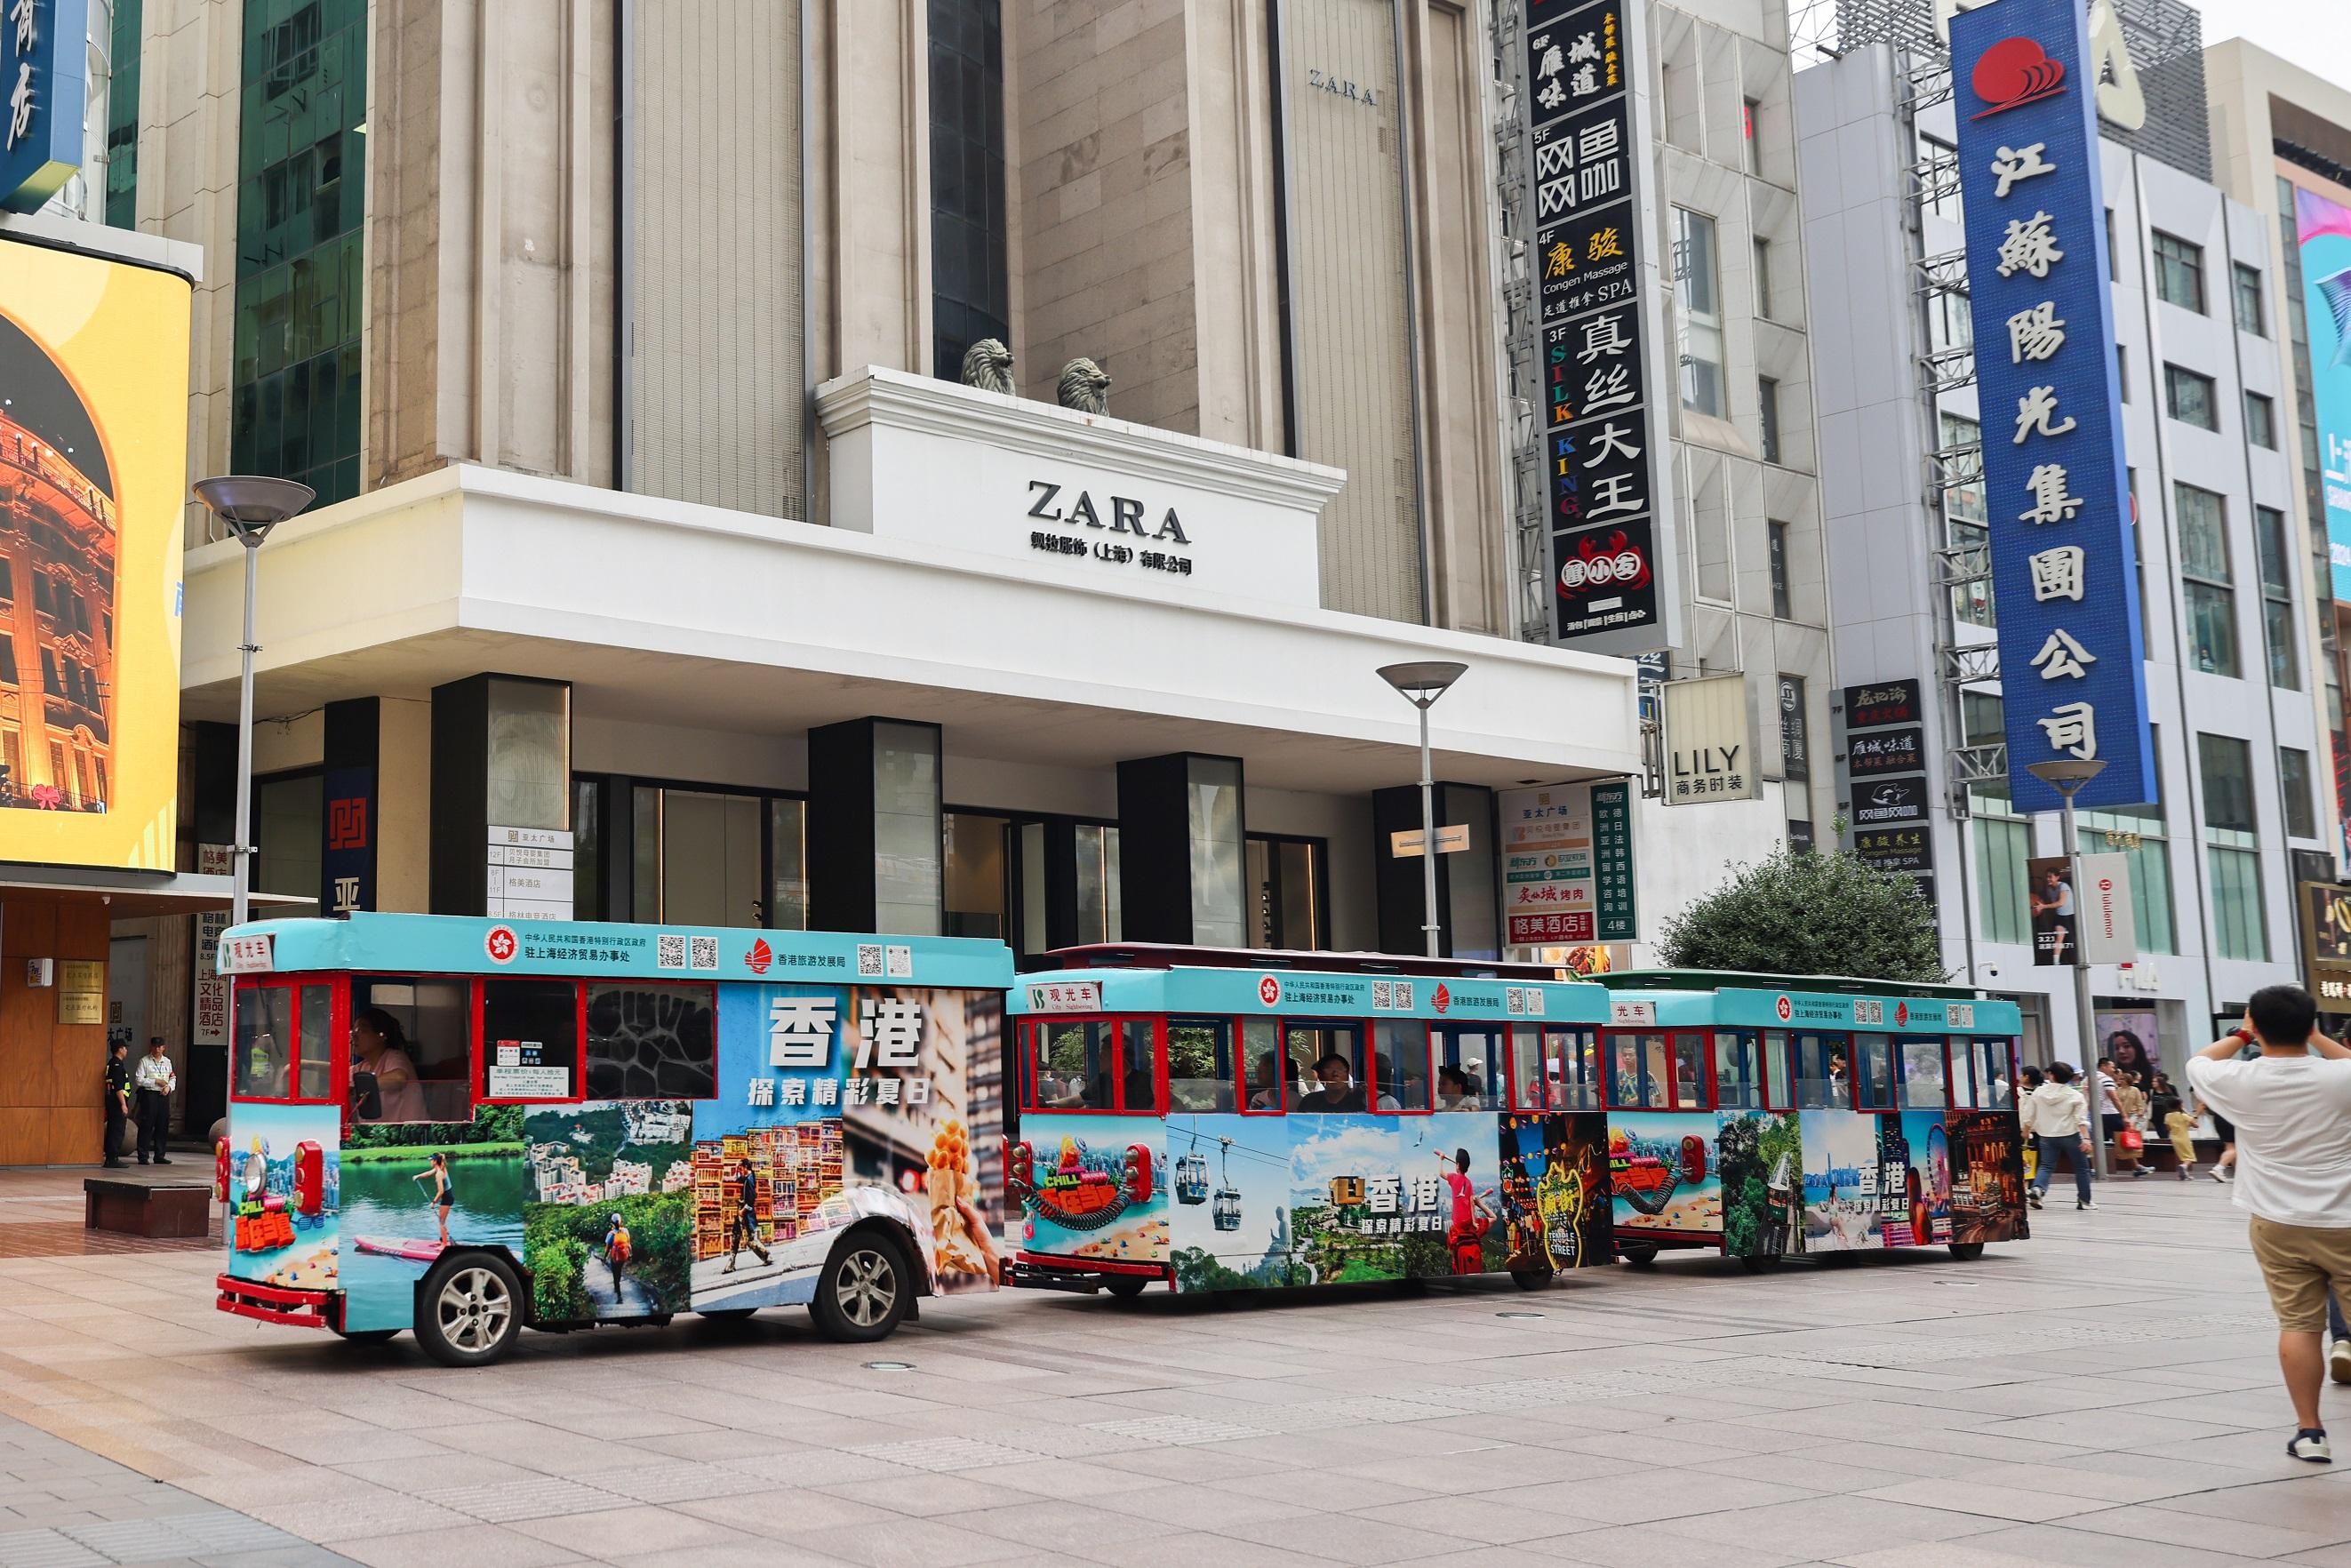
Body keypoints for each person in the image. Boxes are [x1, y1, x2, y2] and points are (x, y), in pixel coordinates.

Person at [2183, 986, 2351, 1463]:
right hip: (2346, 1218)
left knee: (2299, 1324)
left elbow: (2199, 1061)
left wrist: (2241, 1032)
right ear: (2311, 1024)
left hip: (2277, 1221)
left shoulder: (2240, 1079)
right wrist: (2318, 1038)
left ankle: (2311, 1432)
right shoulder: (2341, 1077)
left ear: (2255, 1024)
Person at [2024, 1062, 2093, 1211]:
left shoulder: (2038, 1092)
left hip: (2046, 1135)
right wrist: (2086, 1139)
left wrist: (2026, 1129)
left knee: (2046, 1166)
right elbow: (2080, 1119)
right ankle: (2084, 1201)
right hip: (2070, 1135)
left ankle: (2038, 1189)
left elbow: (2029, 1114)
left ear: (2052, 1075)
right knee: (2081, 1168)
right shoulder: (2076, 1095)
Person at [351, 1008, 425, 1124]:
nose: (354, 1037)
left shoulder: (395, 1057)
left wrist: (362, 1088)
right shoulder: (363, 1066)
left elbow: (399, 1078)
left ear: (381, 1035)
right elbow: (335, 1072)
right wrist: (312, 1065)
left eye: (362, 1030)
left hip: (406, 1135)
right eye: (354, 1031)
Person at [1439, 1148, 1492, 1275]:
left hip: (1458, 1223)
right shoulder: (1469, 1182)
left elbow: (1441, 1173)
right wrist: (1474, 1222)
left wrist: (1441, 1159)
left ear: (1457, 1165)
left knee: (1451, 1244)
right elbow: (1471, 1205)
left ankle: (1455, 1262)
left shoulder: (1453, 1177)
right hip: (1468, 1221)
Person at [723, 1157, 771, 1273]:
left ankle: (766, 1255)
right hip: (742, 1213)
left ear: (745, 1168)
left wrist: (742, 1211)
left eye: (741, 1168)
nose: (740, 1170)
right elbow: (736, 1179)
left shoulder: (749, 1181)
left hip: (745, 1215)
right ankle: (731, 1263)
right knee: (736, 1235)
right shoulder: (748, 1177)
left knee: (749, 1239)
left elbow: (751, 1199)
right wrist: (735, 1168)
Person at [132, 1037, 175, 1164]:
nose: (157, 1049)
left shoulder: (167, 1062)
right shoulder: (144, 1061)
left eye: (160, 1047)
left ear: (163, 1048)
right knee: (147, 1125)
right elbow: (139, 1080)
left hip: (163, 1095)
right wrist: (155, 1081)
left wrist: (169, 1087)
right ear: (151, 1047)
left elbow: (173, 1077)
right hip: (149, 1094)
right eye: (155, 1046)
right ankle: (143, 1156)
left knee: (162, 1125)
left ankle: (160, 1155)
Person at [410, 1152, 455, 1246]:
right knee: (441, 1221)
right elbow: (428, 1173)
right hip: (448, 1196)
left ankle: (444, 1245)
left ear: (435, 1161)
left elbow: (441, 1191)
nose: (430, 1162)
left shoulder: (439, 1173)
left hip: (447, 1197)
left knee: (441, 1222)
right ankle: (443, 1240)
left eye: (431, 1160)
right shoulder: (440, 1168)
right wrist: (418, 1176)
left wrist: (433, 1202)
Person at [1297, 1053, 1366, 1113]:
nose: (1335, 1074)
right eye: (1329, 1069)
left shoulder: (1361, 1099)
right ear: (1320, 1076)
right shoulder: (1310, 1101)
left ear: (1348, 1074)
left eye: (1340, 1069)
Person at [2113, 1070, 2148, 1179]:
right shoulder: (2117, 1090)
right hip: (2122, 1115)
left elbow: (2140, 1102)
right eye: (2120, 1079)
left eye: (2123, 1079)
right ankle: (2135, 1164)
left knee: (2131, 1135)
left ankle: (2136, 1161)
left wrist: (2140, 1111)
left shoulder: (2135, 1090)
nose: (2121, 1080)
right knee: (2125, 1137)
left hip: (2133, 1114)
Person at [102, 1041, 131, 1169]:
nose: (126, 1051)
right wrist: (123, 1104)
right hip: (117, 1102)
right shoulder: (117, 1065)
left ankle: (111, 1157)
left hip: (113, 1102)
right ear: (120, 1049)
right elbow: (118, 1087)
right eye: (125, 1048)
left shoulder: (112, 1063)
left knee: (114, 1129)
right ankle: (112, 1158)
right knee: (117, 1130)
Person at [2165, 1098, 2199, 1181]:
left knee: (2183, 1157)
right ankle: (2184, 1167)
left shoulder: (2167, 1116)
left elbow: (2168, 1128)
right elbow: (2196, 1126)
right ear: (2180, 1105)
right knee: (2190, 1157)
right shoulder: (2184, 1116)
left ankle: (2184, 1175)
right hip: (2184, 1138)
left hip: (2174, 1139)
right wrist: (2192, 1117)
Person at [603, 1212, 632, 1291]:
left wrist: (604, 1258)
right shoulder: (625, 1231)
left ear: (612, 1223)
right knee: (619, 1270)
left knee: (615, 1272)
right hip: (624, 1255)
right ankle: (617, 1284)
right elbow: (628, 1243)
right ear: (621, 1221)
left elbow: (608, 1248)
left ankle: (617, 1288)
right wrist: (629, 1254)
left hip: (615, 1257)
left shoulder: (611, 1234)